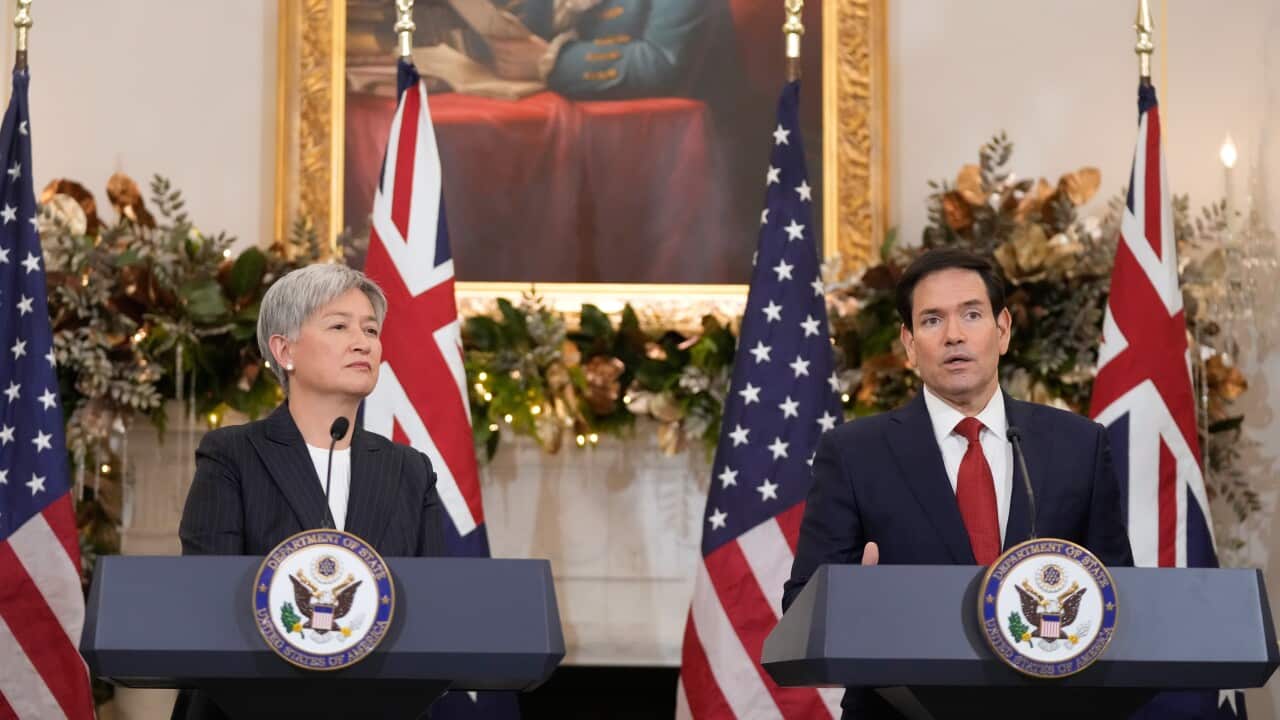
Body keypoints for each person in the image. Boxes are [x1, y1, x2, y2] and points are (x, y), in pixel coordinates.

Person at [782, 248, 1133, 719]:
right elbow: (800, 606)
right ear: (909, 344)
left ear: (1002, 330)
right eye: (932, 320)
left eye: (971, 314)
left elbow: (1118, 592)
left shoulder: (1078, 445)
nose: (953, 335)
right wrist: (852, 600)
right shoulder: (853, 453)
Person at [173, 264, 446, 719]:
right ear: (284, 350)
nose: (363, 343)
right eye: (339, 326)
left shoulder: (410, 470)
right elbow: (208, 596)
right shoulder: (233, 455)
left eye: (371, 330)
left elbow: (433, 605)